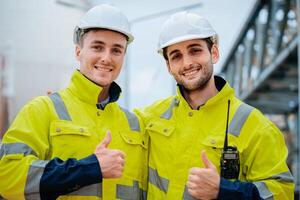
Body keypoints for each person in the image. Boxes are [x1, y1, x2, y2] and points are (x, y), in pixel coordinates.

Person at [136, 11, 294, 199]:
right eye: (176, 56)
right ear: (169, 66)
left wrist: (225, 190)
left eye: (195, 50)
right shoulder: (149, 118)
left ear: (214, 53)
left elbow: (282, 192)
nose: (187, 63)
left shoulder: (255, 125)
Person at [0, 4, 148, 199]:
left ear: (123, 57)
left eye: (116, 50)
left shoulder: (135, 125)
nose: (106, 57)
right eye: (97, 47)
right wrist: (89, 168)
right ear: (78, 52)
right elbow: (6, 177)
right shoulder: (42, 109)